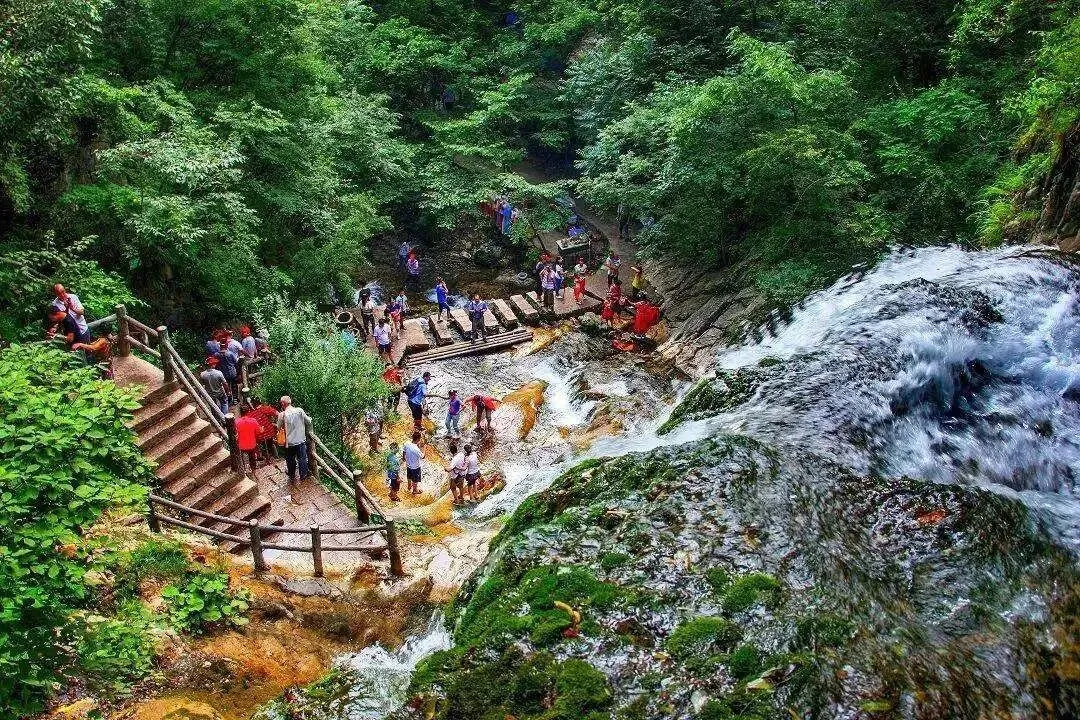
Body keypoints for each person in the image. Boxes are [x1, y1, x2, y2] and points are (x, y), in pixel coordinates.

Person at [276, 396, 313, 484]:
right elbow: (308, 421)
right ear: (290, 402)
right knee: (302, 458)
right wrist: (310, 419)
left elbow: (278, 427)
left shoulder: (282, 415)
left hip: (289, 442)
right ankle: (303, 475)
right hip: (300, 440)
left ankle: (292, 474)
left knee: (290, 459)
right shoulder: (299, 410)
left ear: (283, 404)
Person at [402, 431, 423, 495]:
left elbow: (404, 451)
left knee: (409, 476)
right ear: (418, 439)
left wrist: (403, 457)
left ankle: (409, 486)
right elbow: (423, 456)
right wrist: (424, 448)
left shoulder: (407, 443)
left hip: (408, 465)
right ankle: (415, 490)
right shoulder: (416, 449)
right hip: (415, 467)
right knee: (415, 479)